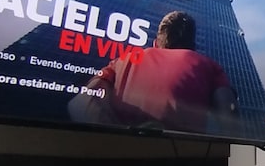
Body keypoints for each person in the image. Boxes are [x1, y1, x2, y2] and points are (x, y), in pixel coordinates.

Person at [69, 10, 237, 132]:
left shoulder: (125, 59)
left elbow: (81, 102)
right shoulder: (209, 66)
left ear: (155, 43)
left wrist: (121, 136)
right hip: (183, 156)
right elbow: (229, 118)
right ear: (193, 46)